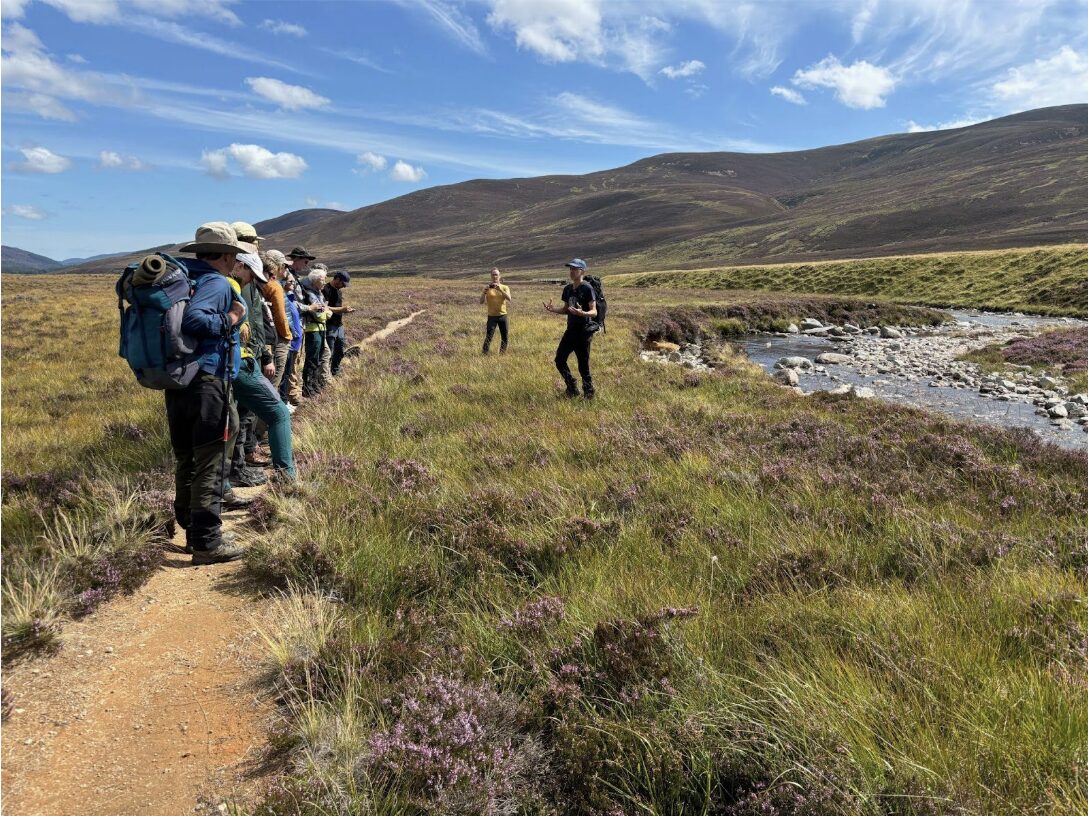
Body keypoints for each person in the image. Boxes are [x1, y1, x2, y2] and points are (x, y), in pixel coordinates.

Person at [171, 222, 247, 564]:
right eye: (233, 255)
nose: (235, 262)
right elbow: (195, 322)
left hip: (179, 380)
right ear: (225, 255)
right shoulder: (215, 282)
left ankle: (190, 529)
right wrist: (231, 318)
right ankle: (206, 542)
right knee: (210, 461)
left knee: (188, 458)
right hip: (207, 381)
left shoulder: (186, 277)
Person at [227, 251, 298, 482]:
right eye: (252, 274)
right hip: (241, 362)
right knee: (278, 413)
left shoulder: (210, 282)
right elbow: (253, 327)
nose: (252, 280)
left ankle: (227, 480)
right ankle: (287, 478)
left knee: (232, 421)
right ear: (240, 265)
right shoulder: (231, 286)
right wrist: (264, 354)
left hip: (220, 367)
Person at [543, 258, 597, 400]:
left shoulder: (587, 288)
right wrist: (553, 310)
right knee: (559, 360)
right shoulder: (567, 289)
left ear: (582, 271)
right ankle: (572, 387)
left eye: (575, 269)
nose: (571, 271)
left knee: (583, 365)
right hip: (571, 330)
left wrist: (583, 313)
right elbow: (566, 309)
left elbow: (594, 312)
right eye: (570, 269)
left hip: (584, 331)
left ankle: (588, 393)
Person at [260, 249, 293, 392]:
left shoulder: (261, 282)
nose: (285, 269)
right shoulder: (274, 286)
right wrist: (287, 335)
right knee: (274, 382)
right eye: (285, 266)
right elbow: (280, 316)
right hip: (277, 338)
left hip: (264, 337)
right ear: (277, 266)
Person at [298, 267, 330, 397]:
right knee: (312, 359)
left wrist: (325, 312)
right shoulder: (311, 294)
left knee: (318, 358)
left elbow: (324, 310)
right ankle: (308, 387)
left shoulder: (318, 293)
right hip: (313, 329)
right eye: (322, 280)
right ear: (315, 280)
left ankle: (314, 384)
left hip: (320, 329)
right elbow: (320, 314)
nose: (324, 283)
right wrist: (327, 313)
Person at [322, 270, 355, 375]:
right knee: (329, 352)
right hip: (329, 325)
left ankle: (335, 371)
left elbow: (337, 307)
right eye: (343, 284)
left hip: (339, 325)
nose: (344, 286)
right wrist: (341, 309)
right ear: (337, 279)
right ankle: (325, 375)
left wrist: (345, 310)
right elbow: (324, 308)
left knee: (340, 350)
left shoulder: (339, 291)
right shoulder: (325, 290)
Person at [280, 273, 304, 411]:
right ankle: (283, 402)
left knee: (288, 372)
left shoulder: (290, 298)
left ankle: (285, 401)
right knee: (284, 374)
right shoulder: (283, 299)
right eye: (290, 281)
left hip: (294, 342)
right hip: (288, 342)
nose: (293, 284)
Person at [480, 267, 511, 354]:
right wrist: (484, 292)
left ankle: (502, 353)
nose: (494, 276)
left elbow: (509, 298)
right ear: (491, 276)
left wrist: (500, 289)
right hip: (492, 316)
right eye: (493, 274)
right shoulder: (487, 288)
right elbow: (481, 301)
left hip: (503, 315)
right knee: (489, 336)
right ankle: (484, 353)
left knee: (504, 336)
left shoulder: (505, 287)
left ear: (499, 276)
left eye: (496, 274)